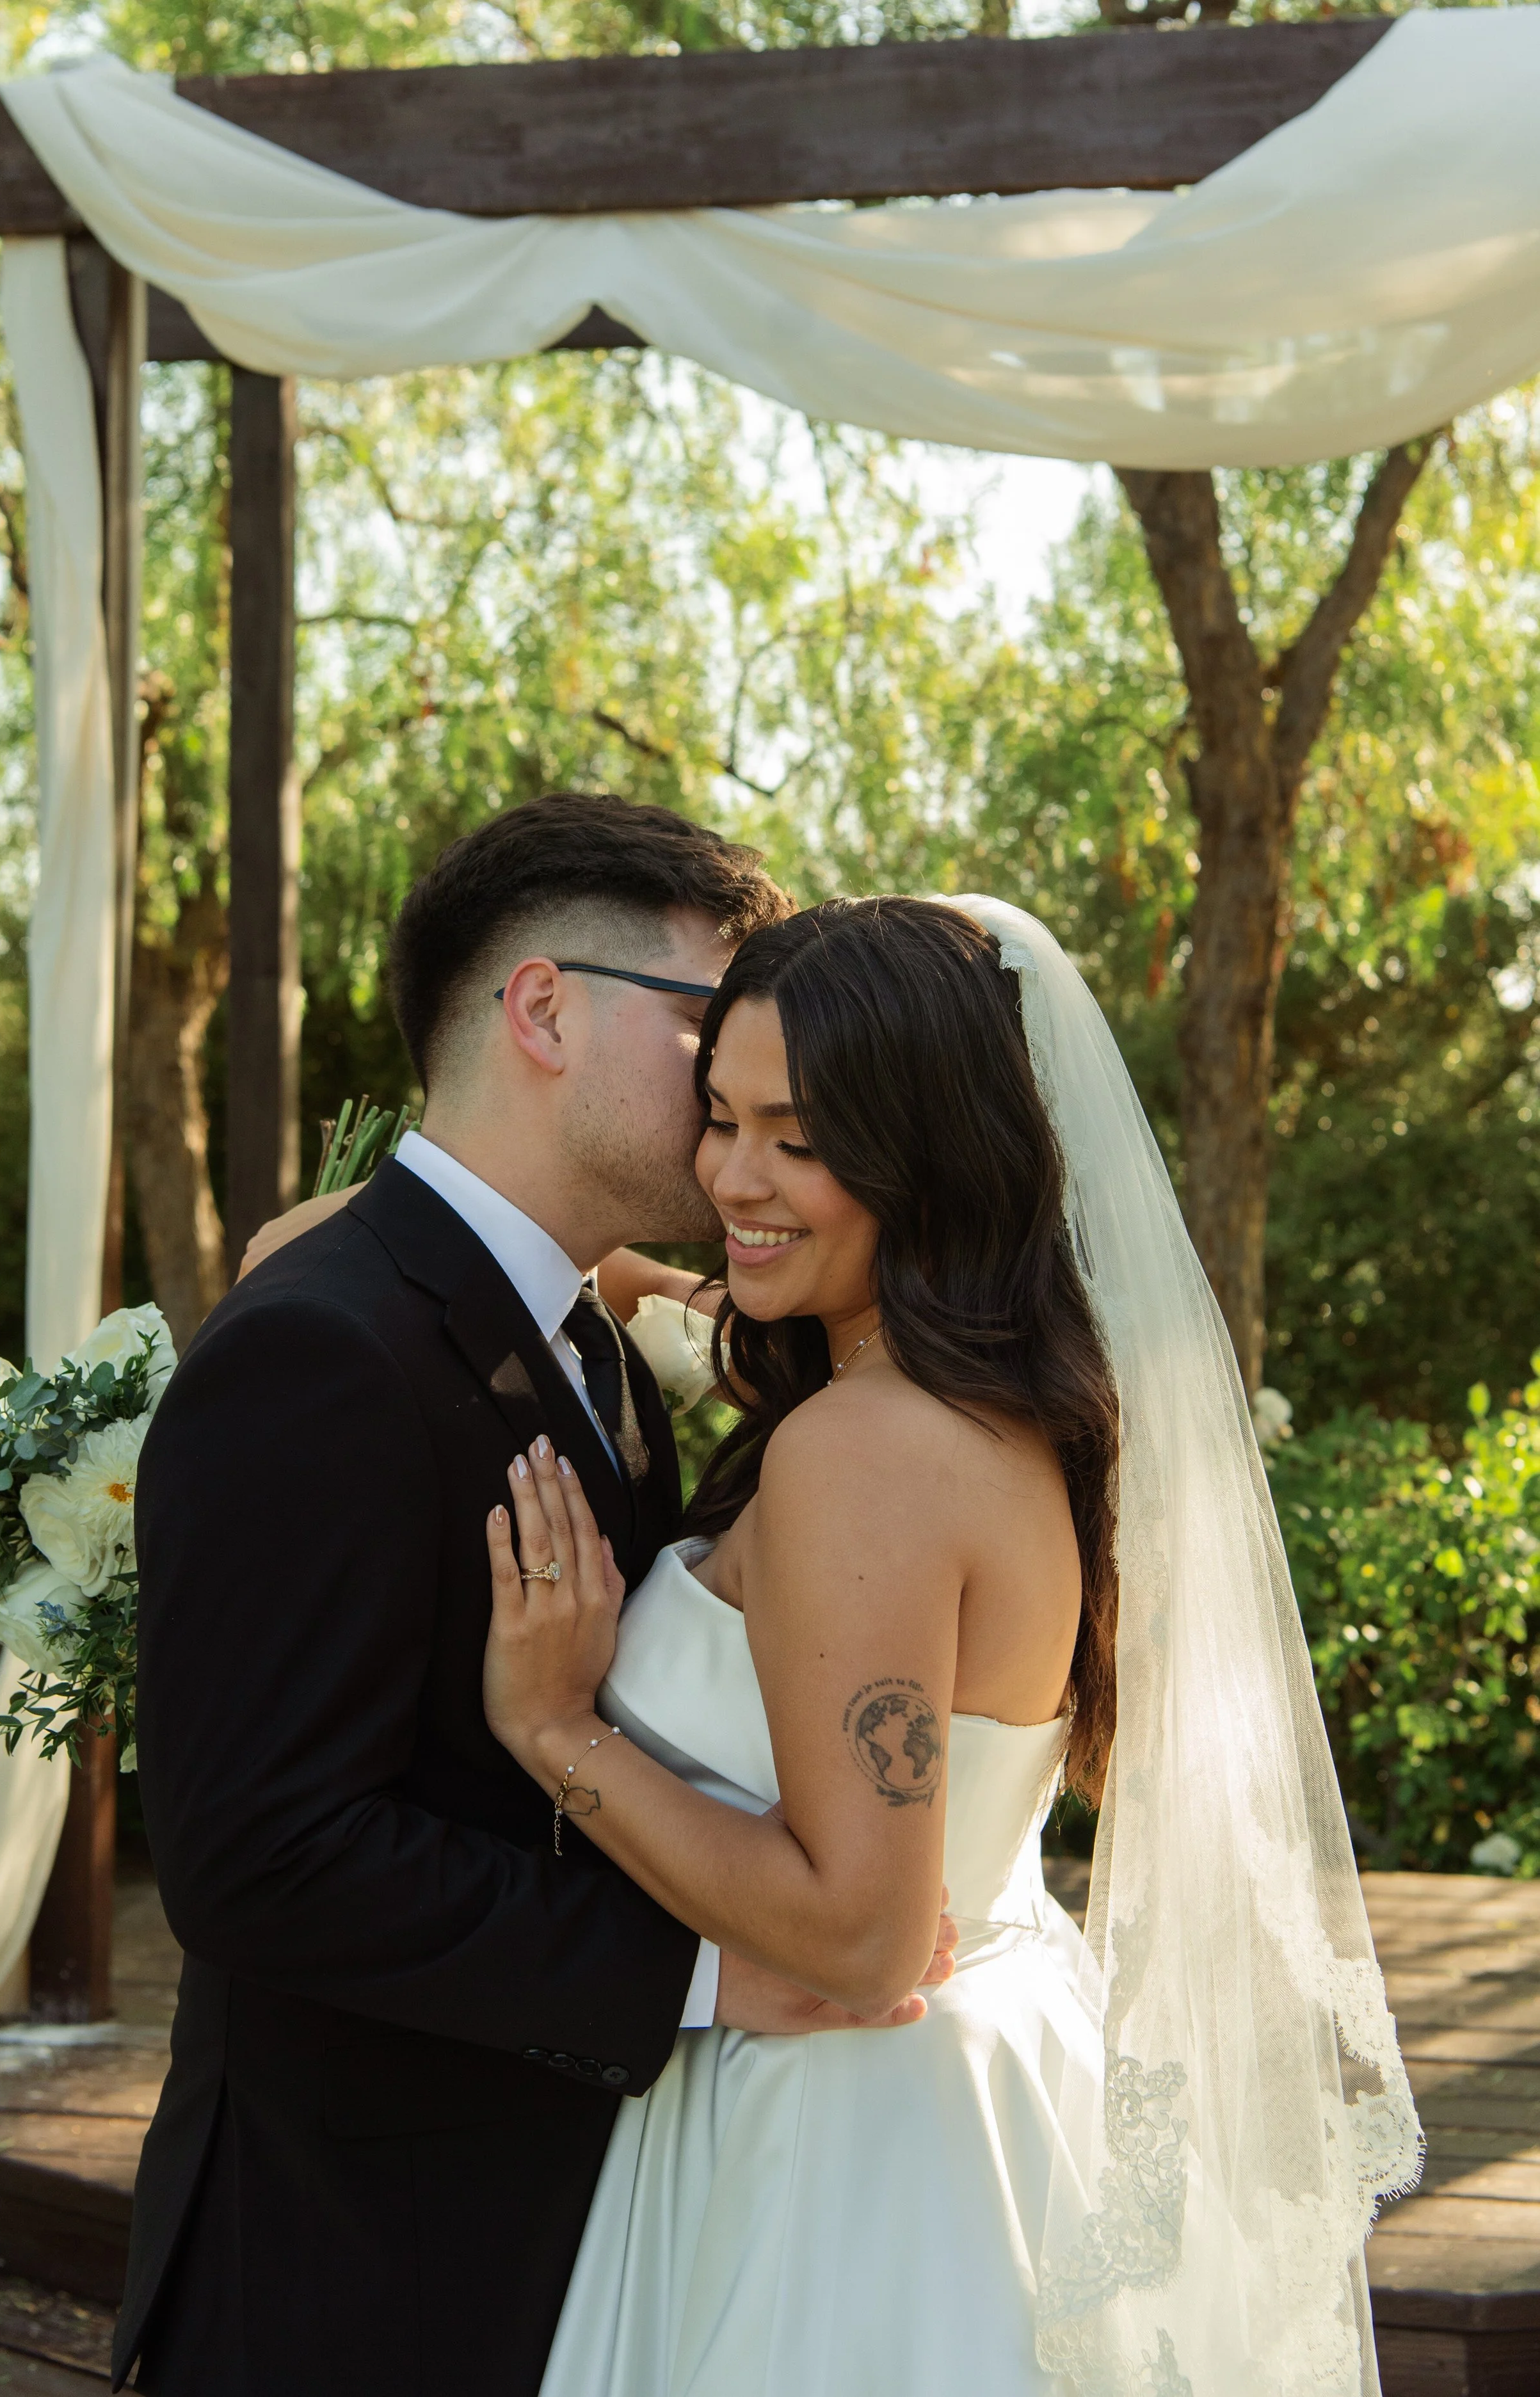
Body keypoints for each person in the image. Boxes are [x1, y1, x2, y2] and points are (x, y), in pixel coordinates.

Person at [474, 895, 1425, 2397]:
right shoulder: (995, 1405)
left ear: (924, 1152)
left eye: (798, 1137)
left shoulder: (860, 1456)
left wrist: (555, 1732)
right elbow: (696, 1301)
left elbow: (859, 1935)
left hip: (837, 2162)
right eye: (719, 1119)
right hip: (983, 2087)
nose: (732, 1176)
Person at [115, 797, 958, 2397]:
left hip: (563, 2245)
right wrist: (705, 1975)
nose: (736, 1086)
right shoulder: (320, 1352)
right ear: (544, 1009)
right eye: (708, 1028)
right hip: (357, 2276)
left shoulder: (576, 1331)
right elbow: (257, 1858)